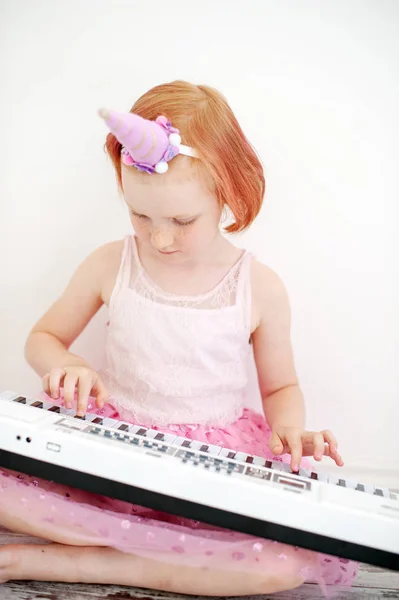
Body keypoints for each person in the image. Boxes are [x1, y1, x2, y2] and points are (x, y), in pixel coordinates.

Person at [0, 81, 357, 594]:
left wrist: (291, 431)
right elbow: (44, 337)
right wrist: (67, 364)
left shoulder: (258, 287)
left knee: (283, 564)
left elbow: (280, 388)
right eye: (140, 216)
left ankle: (80, 562)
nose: (160, 238)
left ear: (228, 194)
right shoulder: (111, 263)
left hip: (208, 469)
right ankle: (118, 539)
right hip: (112, 453)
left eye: (181, 220)